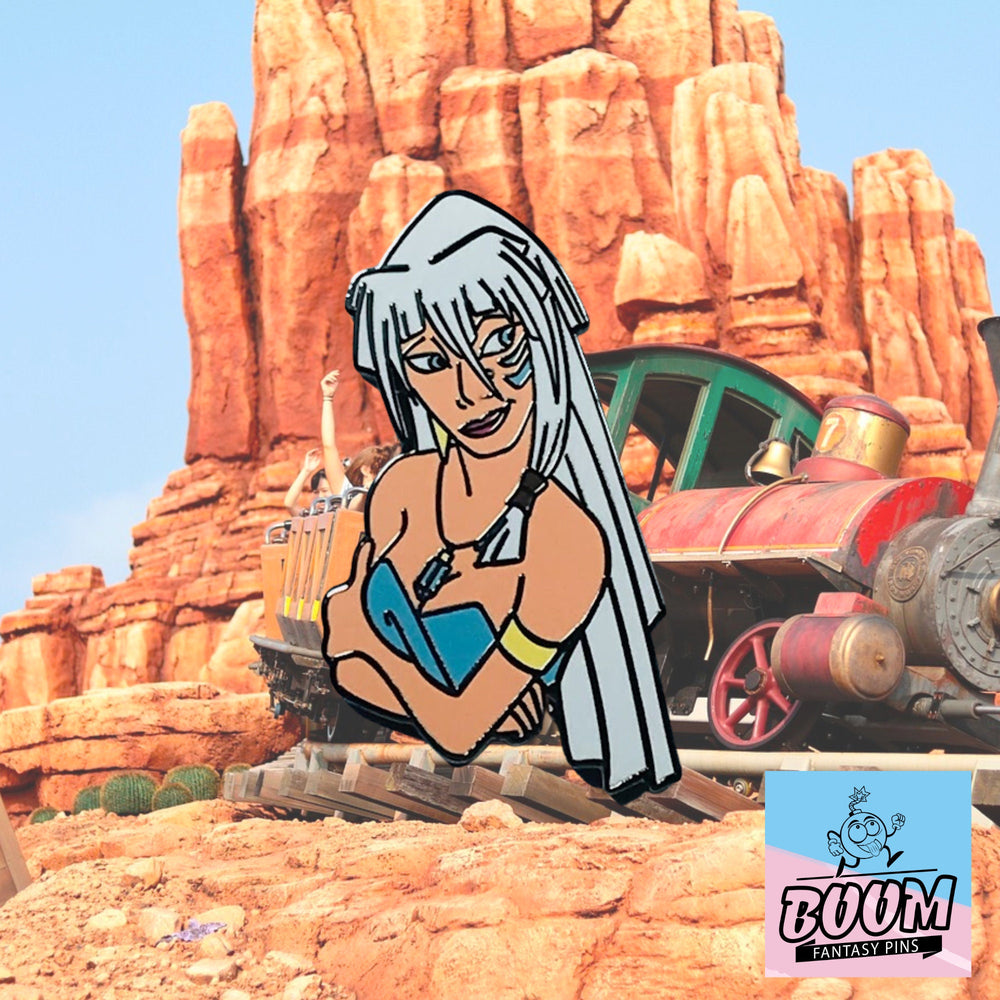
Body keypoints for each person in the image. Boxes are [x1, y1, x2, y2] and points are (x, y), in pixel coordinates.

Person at [321, 191, 680, 799]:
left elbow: (458, 728)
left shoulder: (567, 539)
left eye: (498, 344)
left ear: (543, 341)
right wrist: (425, 687)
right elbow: (343, 655)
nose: (472, 390)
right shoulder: (400, 491)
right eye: (429, 360)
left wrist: (367, 643)